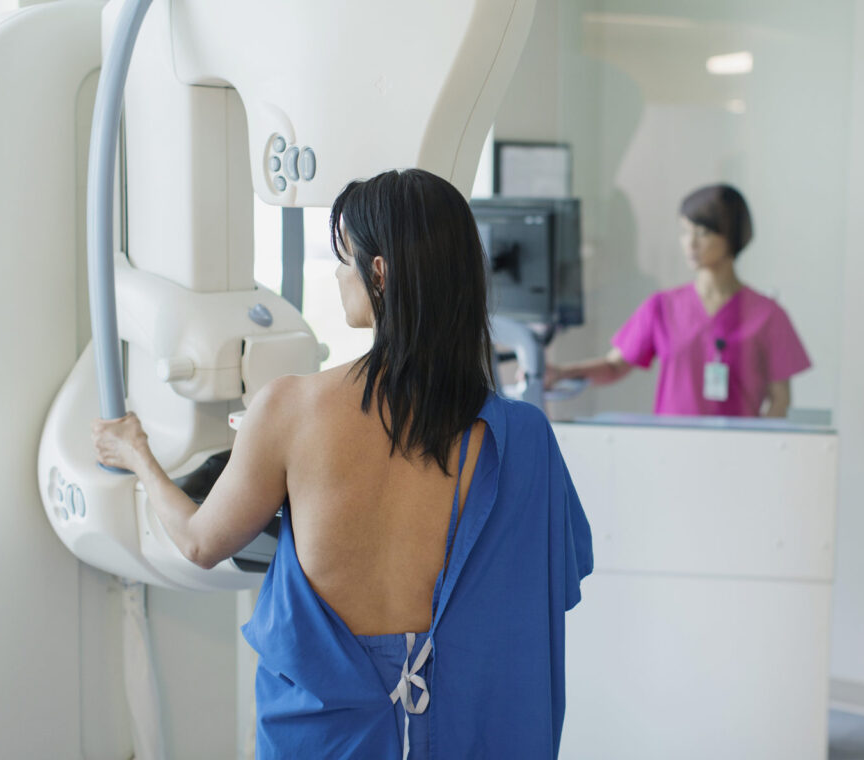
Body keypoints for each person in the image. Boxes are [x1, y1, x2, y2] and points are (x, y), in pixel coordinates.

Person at [91, 169, 593, 759]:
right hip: (468, 733)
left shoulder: (288, 409)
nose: (336, 274)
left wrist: (137, 454)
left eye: (344, 258)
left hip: (328, 739)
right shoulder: (523, 436)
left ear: (378, 274)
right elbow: (544, 591)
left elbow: (201, 544)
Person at [544, 183, 810, 417]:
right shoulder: (662, 306)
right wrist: (559, 373)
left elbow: (780, 401)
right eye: (685, 231)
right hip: (672, 451)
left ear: (732, 235)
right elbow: (614, 366)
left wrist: (759, 452)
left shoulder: (768, 315)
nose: (690, 243)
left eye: (703, 232)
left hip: (738, 456)